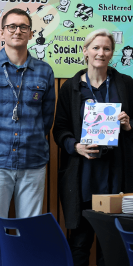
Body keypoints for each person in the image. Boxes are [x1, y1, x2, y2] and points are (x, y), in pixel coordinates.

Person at [0, 8, 55, 266]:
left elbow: (46, 119)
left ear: (31, 33)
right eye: (12, 26)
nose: (18, 31)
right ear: (2, 31)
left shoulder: (44, 71)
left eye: (23, 27)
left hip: (33, 164)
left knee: (30, 235)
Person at [53, 29, 133, 266]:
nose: (101, 53)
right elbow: (60, 129)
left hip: (117, 176)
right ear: (85, 51)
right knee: (79, 243)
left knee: (113, 245)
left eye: (106, 48)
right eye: (95, 48)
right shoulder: (70, 87)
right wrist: (75, 146)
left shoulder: (126, 84)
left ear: (112, 54)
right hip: (83, 176)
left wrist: (129, 126)